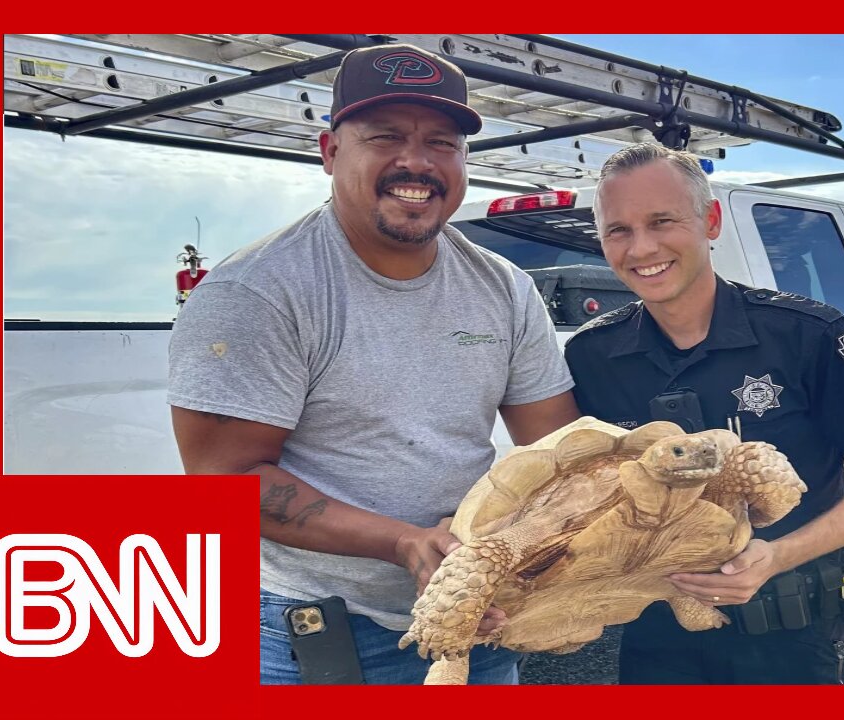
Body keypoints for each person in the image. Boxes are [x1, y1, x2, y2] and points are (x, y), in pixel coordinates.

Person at [167, 43, 580, 685]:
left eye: (442, 142)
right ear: (331, 150)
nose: (415, 162)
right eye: (385, 136)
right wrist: (402, 541)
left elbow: (559, 451)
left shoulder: (503, 288)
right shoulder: (258, 292)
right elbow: (226, 478)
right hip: (318, 639)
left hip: (479, 616)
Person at [563, 143, 844, 684]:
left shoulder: (807, 336)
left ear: (710, 221)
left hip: (792, 636)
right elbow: (577, 497)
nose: (641, 248)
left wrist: (778, 555)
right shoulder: (592, 356)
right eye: (618, 230)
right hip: (656, 640)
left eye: (662, 221)